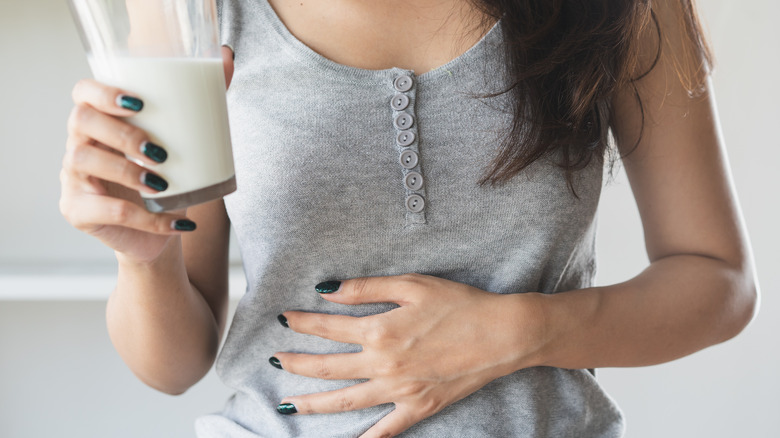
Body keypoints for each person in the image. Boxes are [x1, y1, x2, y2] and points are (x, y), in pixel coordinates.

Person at [59, 0, 758, 436]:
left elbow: (718, 282)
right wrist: (143, 257)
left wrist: (516, 330)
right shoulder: (193, 9)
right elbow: (174, 364)